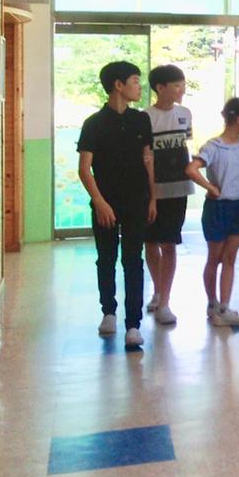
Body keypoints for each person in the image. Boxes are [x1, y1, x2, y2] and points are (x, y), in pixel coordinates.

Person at [77, 61, 156, 347]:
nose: (139, 87)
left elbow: (148, 159)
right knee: (106, 257)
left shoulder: (141, 120)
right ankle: (108, 311)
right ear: (118, 85)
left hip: (137, 200)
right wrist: (99, 202)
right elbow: (84, 169)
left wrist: (153, 197)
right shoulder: (94, 124)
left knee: (133, 260)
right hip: (106, 203)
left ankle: (133, 324)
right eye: (134, 81)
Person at [185, 98, 239, 327]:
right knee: (214, 258)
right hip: (218, 207)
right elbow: (192, 169)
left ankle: (224, 307)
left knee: (230, 258)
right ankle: (212, 303)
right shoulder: (214, 146)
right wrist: (210, 187)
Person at [143, 65, 193, 324]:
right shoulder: (145, 117)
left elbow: (186, 144)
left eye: (183, 84)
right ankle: (158, 290)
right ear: (160, 88)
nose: (181, 89)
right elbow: (145, 157)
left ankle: (165, 301)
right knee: (151, 242)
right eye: (176, 85)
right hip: (152, 190)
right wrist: (149, 192)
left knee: (170, 243)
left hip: (178, 188)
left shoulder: (185, 114)